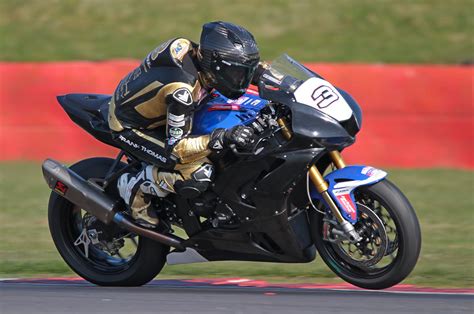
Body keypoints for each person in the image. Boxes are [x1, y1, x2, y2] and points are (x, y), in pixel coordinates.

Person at [108, 21, 261, 226]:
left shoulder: (199, 56)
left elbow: (250, 70)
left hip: (161, 106)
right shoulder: (182, 92)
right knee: (199, 173)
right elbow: (177, 149)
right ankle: (136, 186)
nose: (241, 79)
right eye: (237, 73)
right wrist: (220, 138)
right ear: (216, 67)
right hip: (133, 127)